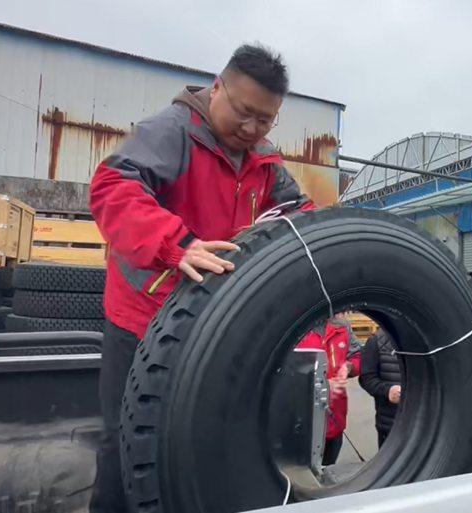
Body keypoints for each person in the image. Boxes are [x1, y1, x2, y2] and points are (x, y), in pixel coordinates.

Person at [88, 44, 312, 511]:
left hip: (212, 320)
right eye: (243, 113)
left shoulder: (264, 159)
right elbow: (113, 187)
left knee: (204, 436)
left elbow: (299, 214)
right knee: (126, 441)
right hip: (142, 318)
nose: (251, 129)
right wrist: (177, 244)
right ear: (217, 88)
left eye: (265, 120)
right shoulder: (171, 132)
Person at [297, 315, 362, 465]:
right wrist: (322, 385)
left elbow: (358, 355)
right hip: (302, 420)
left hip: (334, 418)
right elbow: (283, 370)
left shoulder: (342, 327)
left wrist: (348, 367)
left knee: (328, 468)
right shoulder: (294, 327)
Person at [359, 329, 402, 447]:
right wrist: (387, 391)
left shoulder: (427, 340)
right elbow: (366, 378)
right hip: (390, 424)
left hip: (426, 425)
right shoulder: (377, 341)